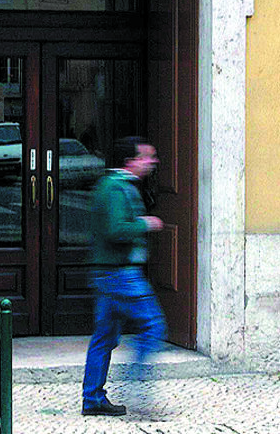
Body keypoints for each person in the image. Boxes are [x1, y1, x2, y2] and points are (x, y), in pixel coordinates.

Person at [81, 136, 167, 417]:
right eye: (147, 157)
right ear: (130, 161)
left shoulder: (112, 185)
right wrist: (145, 223)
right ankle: (136, 389)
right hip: (120, 274)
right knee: (153, 325)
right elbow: (116, 229)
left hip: (108, 273)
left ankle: (93, 399)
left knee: (104, 338)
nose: (152, 162)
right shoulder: (115, 188)